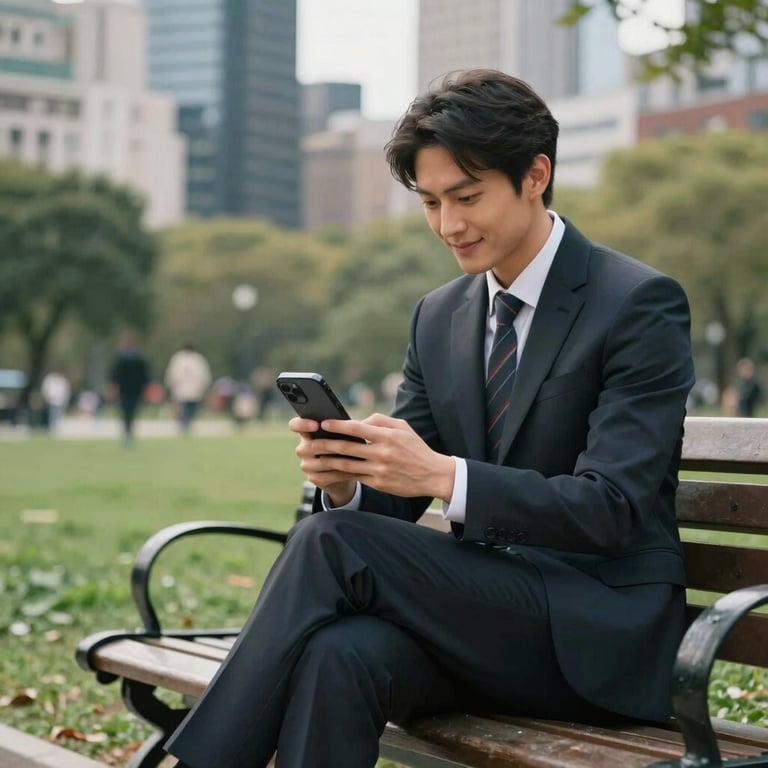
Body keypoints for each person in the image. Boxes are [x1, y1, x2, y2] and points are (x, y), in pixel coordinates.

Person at [166, 70, 694, 768]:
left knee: (331, 545)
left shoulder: (636, 304)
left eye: (468, 197)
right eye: (431, 202)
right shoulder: (441, 314)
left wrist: (446, 476)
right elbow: (392, 502)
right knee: (337, 652)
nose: (450, 224)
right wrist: (350, 483)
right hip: (478, 624)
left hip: (594, 637)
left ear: (536, 175)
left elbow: (614, 509)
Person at [108, 330, 150, 446]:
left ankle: (127, 432)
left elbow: (115, 376)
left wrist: (114, 388)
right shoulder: (139, 358)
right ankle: (129, 432)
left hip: (125, 390)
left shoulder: (121, 358)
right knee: (132, 412)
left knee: (125, 412)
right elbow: (145, 376)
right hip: (135, 390)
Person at [164, 343, 212, 434]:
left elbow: (172, 374)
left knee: (184, 408)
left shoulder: (178, 359)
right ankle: (186, 424)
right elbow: (204, 376)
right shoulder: (198, 359)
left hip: (182, 389)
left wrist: (169, 386)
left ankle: (184, 424)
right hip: (193, 389)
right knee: (190, 408)